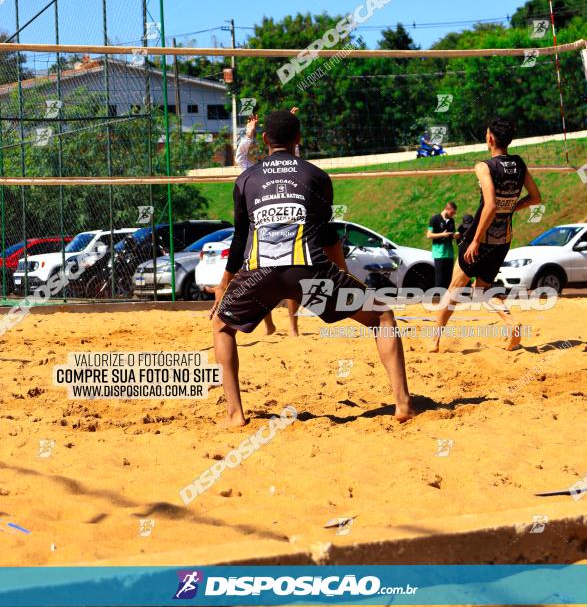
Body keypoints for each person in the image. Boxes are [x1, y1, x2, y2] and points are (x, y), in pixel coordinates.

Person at [210, 109, 414, 427]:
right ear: (299, 139)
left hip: (260, 275)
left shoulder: (246, 178)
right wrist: (343, 274)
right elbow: (328, 234)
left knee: (222, 327)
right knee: (382, 315)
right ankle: (402, 404)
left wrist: (224, 284)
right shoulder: (315, 176)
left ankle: (235, 415)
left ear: (264, 140)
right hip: (310, 275)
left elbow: (240, 238)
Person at [429, 117, 541, 353]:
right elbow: (535, 197)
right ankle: (511, 322)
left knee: (454, 288)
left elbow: (489, 206)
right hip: (504, 240)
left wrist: (476, 240)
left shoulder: (484, 166)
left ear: (490, 138)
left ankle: (434, 342)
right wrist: (510, 208)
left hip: (480, 239)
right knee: (482, 291)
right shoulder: (519, 164)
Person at [234, 110, 301, 337]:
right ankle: (270, 326)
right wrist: (249, 135)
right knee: (260, 283)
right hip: (264, 235)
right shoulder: (254, 173)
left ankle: (293, 328)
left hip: (290, 231)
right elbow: (240, 158)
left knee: (292, 282)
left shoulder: (289, 170)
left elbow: (294, 160)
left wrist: (287, 128)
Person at [427, 201, 457, 290]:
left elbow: (452, 234)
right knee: (440, 277)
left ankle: (447, 297)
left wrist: (455, 235)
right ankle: (438, 297)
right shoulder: (435, 219)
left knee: (448, 277)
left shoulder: (451, 220)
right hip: (439, 253)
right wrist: (442, 234)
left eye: (454, 213)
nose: (452, 215)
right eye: (452, 213)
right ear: (447, 209)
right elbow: (429, 235)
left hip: (449, 253)